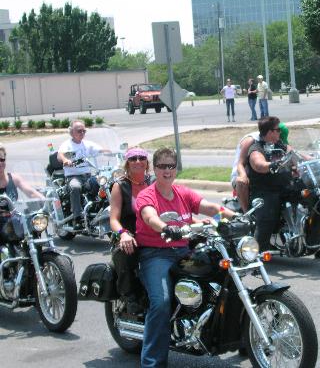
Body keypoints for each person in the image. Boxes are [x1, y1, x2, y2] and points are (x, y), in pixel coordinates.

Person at [135, 147, 235, 367]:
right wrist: (165, 227)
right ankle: (152, 362)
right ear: (154, 168)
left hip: (183, 251)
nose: (167, 171)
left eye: (171, 166)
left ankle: (236, 336)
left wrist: (235, 217)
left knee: (222, 276)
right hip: (155, 254)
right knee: (161, 303)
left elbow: (209, 207)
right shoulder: (147, 195)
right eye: (162, 166)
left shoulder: (182, 193)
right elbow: (149, 216)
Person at [109, 147, 153, 314]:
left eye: (141, 158)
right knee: (127, 252)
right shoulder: (120, 186)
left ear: (146, 162)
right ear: (127, 163)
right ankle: (129, 296)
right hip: (129, 234)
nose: (137, 161)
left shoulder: (153, 181)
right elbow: (113, 219)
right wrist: (123, 234)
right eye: (133, 158)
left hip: (153, 233)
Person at [248, 117, 292, 250]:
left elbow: (295, 155)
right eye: (278, 130)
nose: (280, 133)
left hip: (285, 187)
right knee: (268, 213)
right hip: (266, 190)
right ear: (269, 132)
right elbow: (258, 164)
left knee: (311, 197)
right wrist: (271, 165)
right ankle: (259, 250)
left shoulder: (280, 145)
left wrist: (315, 159)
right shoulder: (257, 148)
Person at [57, 120, 109, 228]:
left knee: (105, 184)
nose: (82, 133)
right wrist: (65, 160)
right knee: (75, 187)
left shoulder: (88, 144)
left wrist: (115, 151)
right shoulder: (67, 145)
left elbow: (101, 150)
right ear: (71, 132)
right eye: (79, 131)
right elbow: (60, 155)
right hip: (74, 176)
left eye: (84, 131)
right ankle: (77, 218)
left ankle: (98, 210)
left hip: (88, 176)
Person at [230, 122, 289, 212]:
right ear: (271, 132)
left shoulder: (273, 141)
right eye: (278, 132)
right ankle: (247, 214)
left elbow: (290, 153)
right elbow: (240, 163)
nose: (279, 141)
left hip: (257, 174)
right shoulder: (251, 140)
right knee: (241, 181)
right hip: (242, 173)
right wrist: (243, 175)